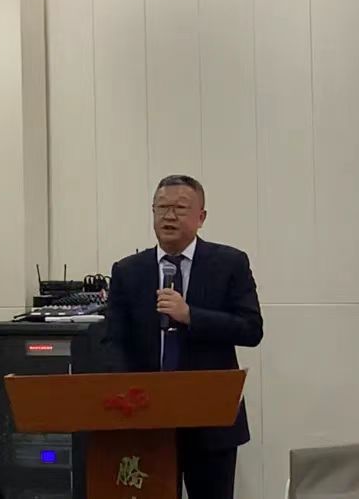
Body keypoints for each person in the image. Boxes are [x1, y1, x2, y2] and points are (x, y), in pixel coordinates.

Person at [103, 174, 263, 499]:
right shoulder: (128, 271)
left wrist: (190, 315)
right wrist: (125, 397)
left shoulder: (230, 263)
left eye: (179, 208)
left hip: (211, 420)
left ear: (201, 217)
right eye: (161, 208)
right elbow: (113, 340)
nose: (169, 216)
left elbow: (251, 329)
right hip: (146, 419)